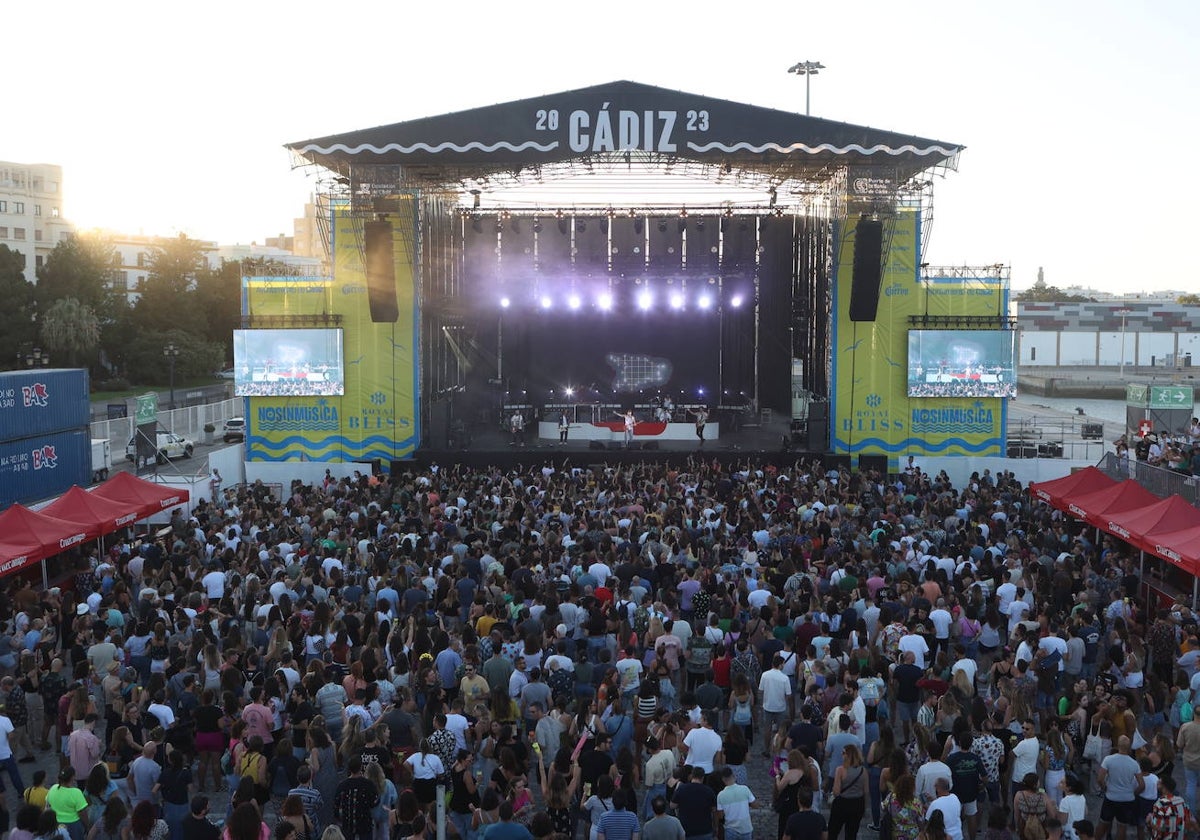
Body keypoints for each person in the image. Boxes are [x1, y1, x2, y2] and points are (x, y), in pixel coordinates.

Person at [333, 756, 378, 840]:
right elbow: (375, 801)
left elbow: (336, 804)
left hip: (348, 824)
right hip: (365, 823)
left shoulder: (342, 786)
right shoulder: (368, 784)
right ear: (361, 767)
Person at [47, 768, 89, 840]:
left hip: (56, 823)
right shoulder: (76, 792)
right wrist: (87, 827)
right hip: (73, 825)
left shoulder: (53, 788)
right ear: (73, 777)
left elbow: (48, 804)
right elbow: (82, 813)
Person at [716, 767, 755, 840]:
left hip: (730, 830)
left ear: (723, 779)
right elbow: (755, 805)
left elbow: (720, 816)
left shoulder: (720, 795)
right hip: (746, 829)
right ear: (733, 776)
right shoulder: (744, 789)